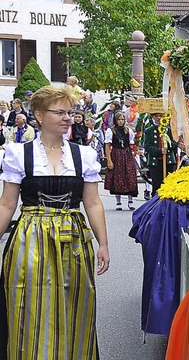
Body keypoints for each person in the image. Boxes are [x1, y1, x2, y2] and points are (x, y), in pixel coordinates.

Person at [0, 85, 109, 359]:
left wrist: (103, 244)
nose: (67, 118)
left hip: (72, 241)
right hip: (29, 241)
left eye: (70, 112)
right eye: (59, 112)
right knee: (27, 306)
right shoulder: (18, 153)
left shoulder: (83, 155)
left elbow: (93, 202)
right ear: (38, 115)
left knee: (76, 305)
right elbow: (6, 204)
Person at [104, 111, 138, 211]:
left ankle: (130, 200)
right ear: (115, 120)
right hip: (116, 154)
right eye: (119, 119)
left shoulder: (128, 131)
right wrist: (109, 160)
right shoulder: (111, 131)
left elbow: (132, 144)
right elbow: (107, 146)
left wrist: (134, 153)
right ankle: (118, 201)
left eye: (122, 119)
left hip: (127, 154)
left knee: (130, 176)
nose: (120, 121)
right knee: (117, 177)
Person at [143, 111, 178, 197]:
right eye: (157, 116)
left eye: (161, 116)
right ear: (153, 117)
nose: (159, 118)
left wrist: (168, 145)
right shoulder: (149, 131)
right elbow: (147, 147)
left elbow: (175, 144)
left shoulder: (169, 130)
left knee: (169, 185)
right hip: (156, 163)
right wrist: (159, 151)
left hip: (168, 162)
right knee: (157, 185)